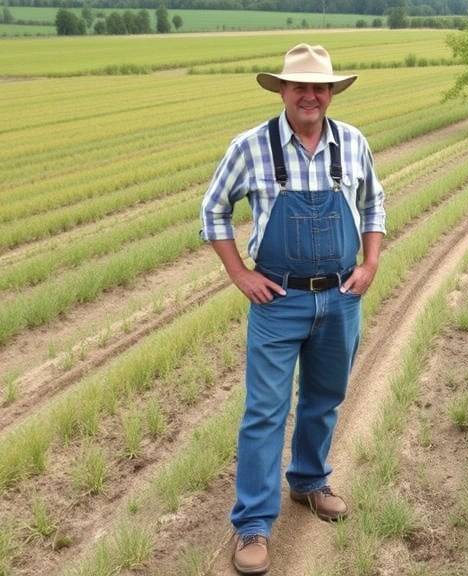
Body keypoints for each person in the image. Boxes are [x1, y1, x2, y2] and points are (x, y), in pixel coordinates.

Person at [199, 43, 386, 575]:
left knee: (325, 397)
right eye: (300, 86)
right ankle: (255, 523)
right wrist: (240, 273)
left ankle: (308, 481)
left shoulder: (352, 143)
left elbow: (374, 204)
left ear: (331, 92)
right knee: (264, 411)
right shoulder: (251, 147)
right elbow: (213, 210)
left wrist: (369, 264)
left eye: (320, 87)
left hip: (340, 296)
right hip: (278, 300)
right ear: (282, 90)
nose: (311, 96)